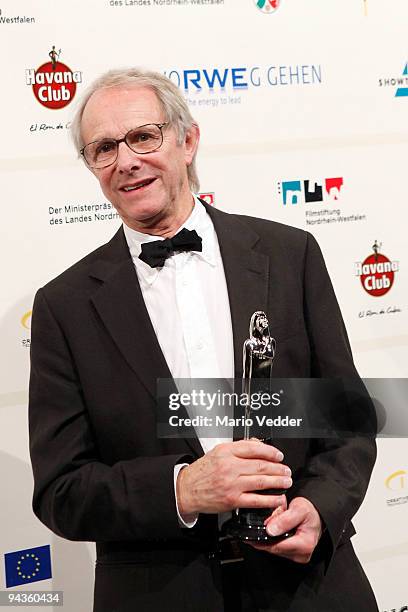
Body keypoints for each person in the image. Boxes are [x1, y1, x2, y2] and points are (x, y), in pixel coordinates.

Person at [29, 68, 378, 612]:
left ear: (187, 140)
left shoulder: (291, 255)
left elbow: (347, 421)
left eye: (144, 136)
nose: (126, 161)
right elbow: (62, 491)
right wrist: (181, 489)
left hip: (309, 588)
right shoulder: (63, 307)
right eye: (102, 148)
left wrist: (322, 506)